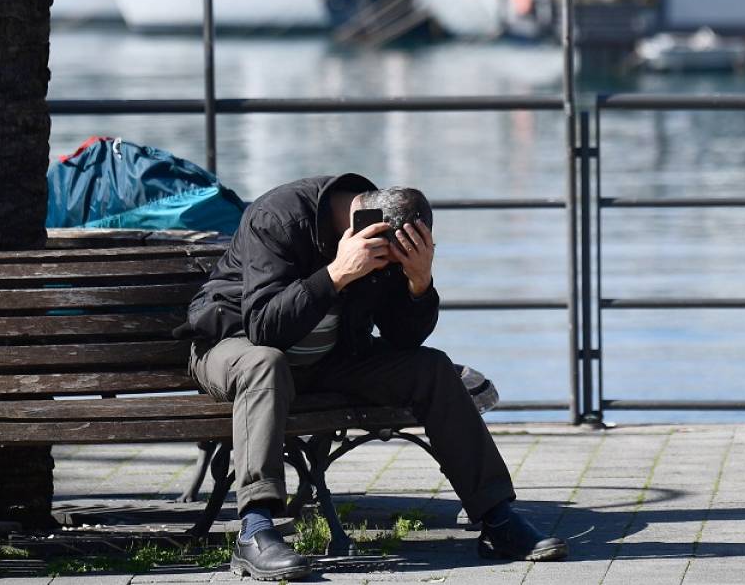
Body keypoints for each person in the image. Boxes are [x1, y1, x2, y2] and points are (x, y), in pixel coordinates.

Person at [175, 174, 567, 580]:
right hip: (233, 346)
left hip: (330, 359)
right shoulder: (278, 217)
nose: (389, 265)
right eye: (392, 259)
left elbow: (403, 339)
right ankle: (255, 531)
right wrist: (336, 274)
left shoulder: (391, 237)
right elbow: (263, 329)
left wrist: (419, 284)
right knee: (266, 363)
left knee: (431, 368)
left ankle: (497, 519)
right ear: (365, 225)